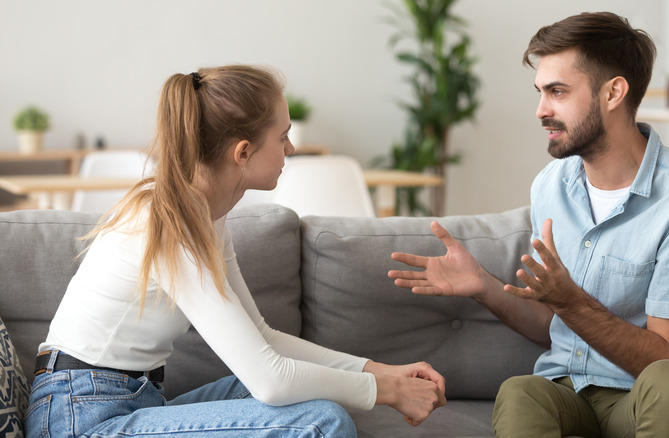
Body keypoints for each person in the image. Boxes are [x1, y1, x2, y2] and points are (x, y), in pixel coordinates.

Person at [25, 65, 446, 438]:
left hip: (132, 400)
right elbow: (271, 381)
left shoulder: (206, 213)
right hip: (81, 418)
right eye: (282, 138)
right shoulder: (172, 221)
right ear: (242, 152)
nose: (291, 150)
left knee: (313, 392)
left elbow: (263, 339)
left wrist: (381, 371)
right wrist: (389, 393)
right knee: (321, 421)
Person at [389, 12, 669, 438]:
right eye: (540, 92)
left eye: (557, 91)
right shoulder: (551, 185)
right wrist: (483, 284)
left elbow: (665, 360)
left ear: (613, 93)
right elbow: (553, 323)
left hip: (648, 396)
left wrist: (568, 300)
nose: (540, 110)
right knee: (521, 391)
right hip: (568, 389)